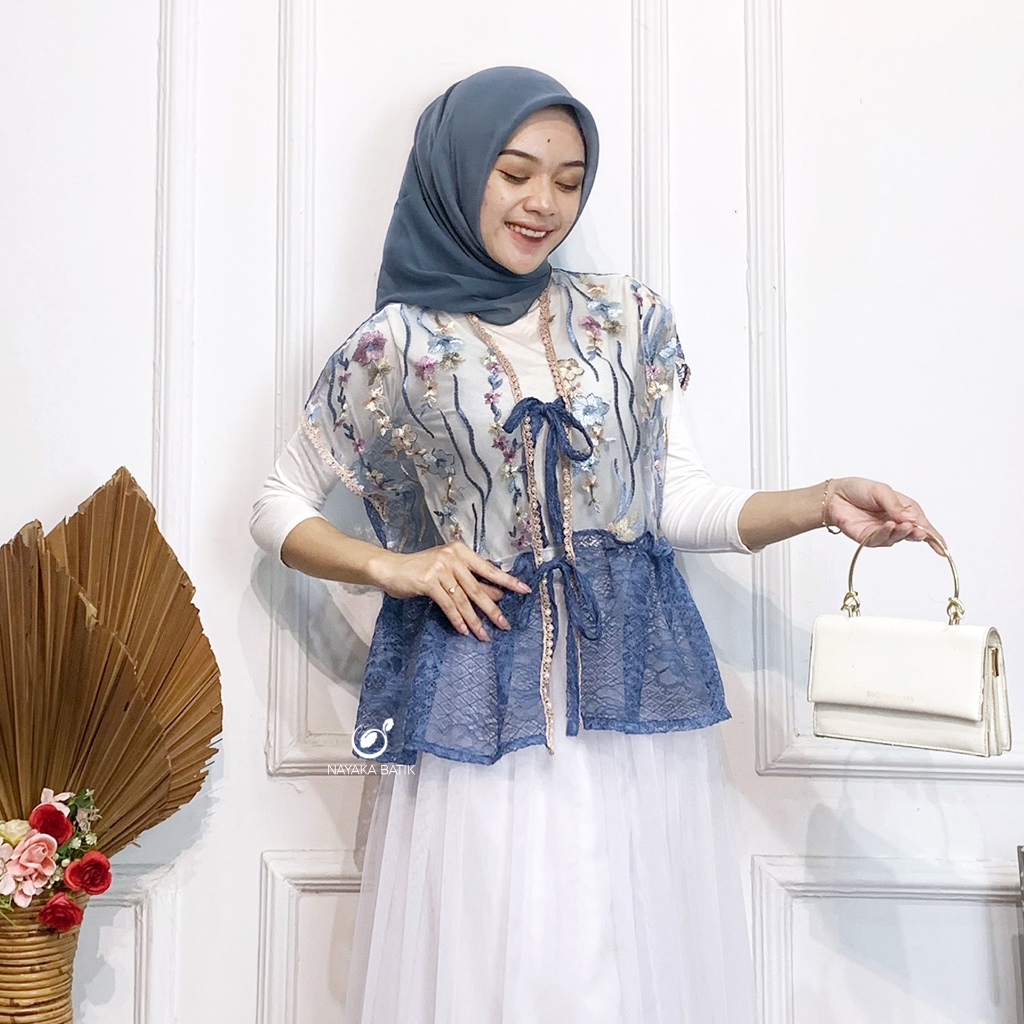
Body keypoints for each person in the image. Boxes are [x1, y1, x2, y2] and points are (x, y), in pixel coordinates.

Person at [250, 66, 938, 1024]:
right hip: (483, 707)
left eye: (569, 182)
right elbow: (277, 504)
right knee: (504, 963)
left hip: (627, 707)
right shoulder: (392, 347)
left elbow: (676, 502)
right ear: (457, 172)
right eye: (515, 173)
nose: (544, 202)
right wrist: (395, 566)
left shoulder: (624, 318)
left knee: (621, 968)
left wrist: (823, 502)